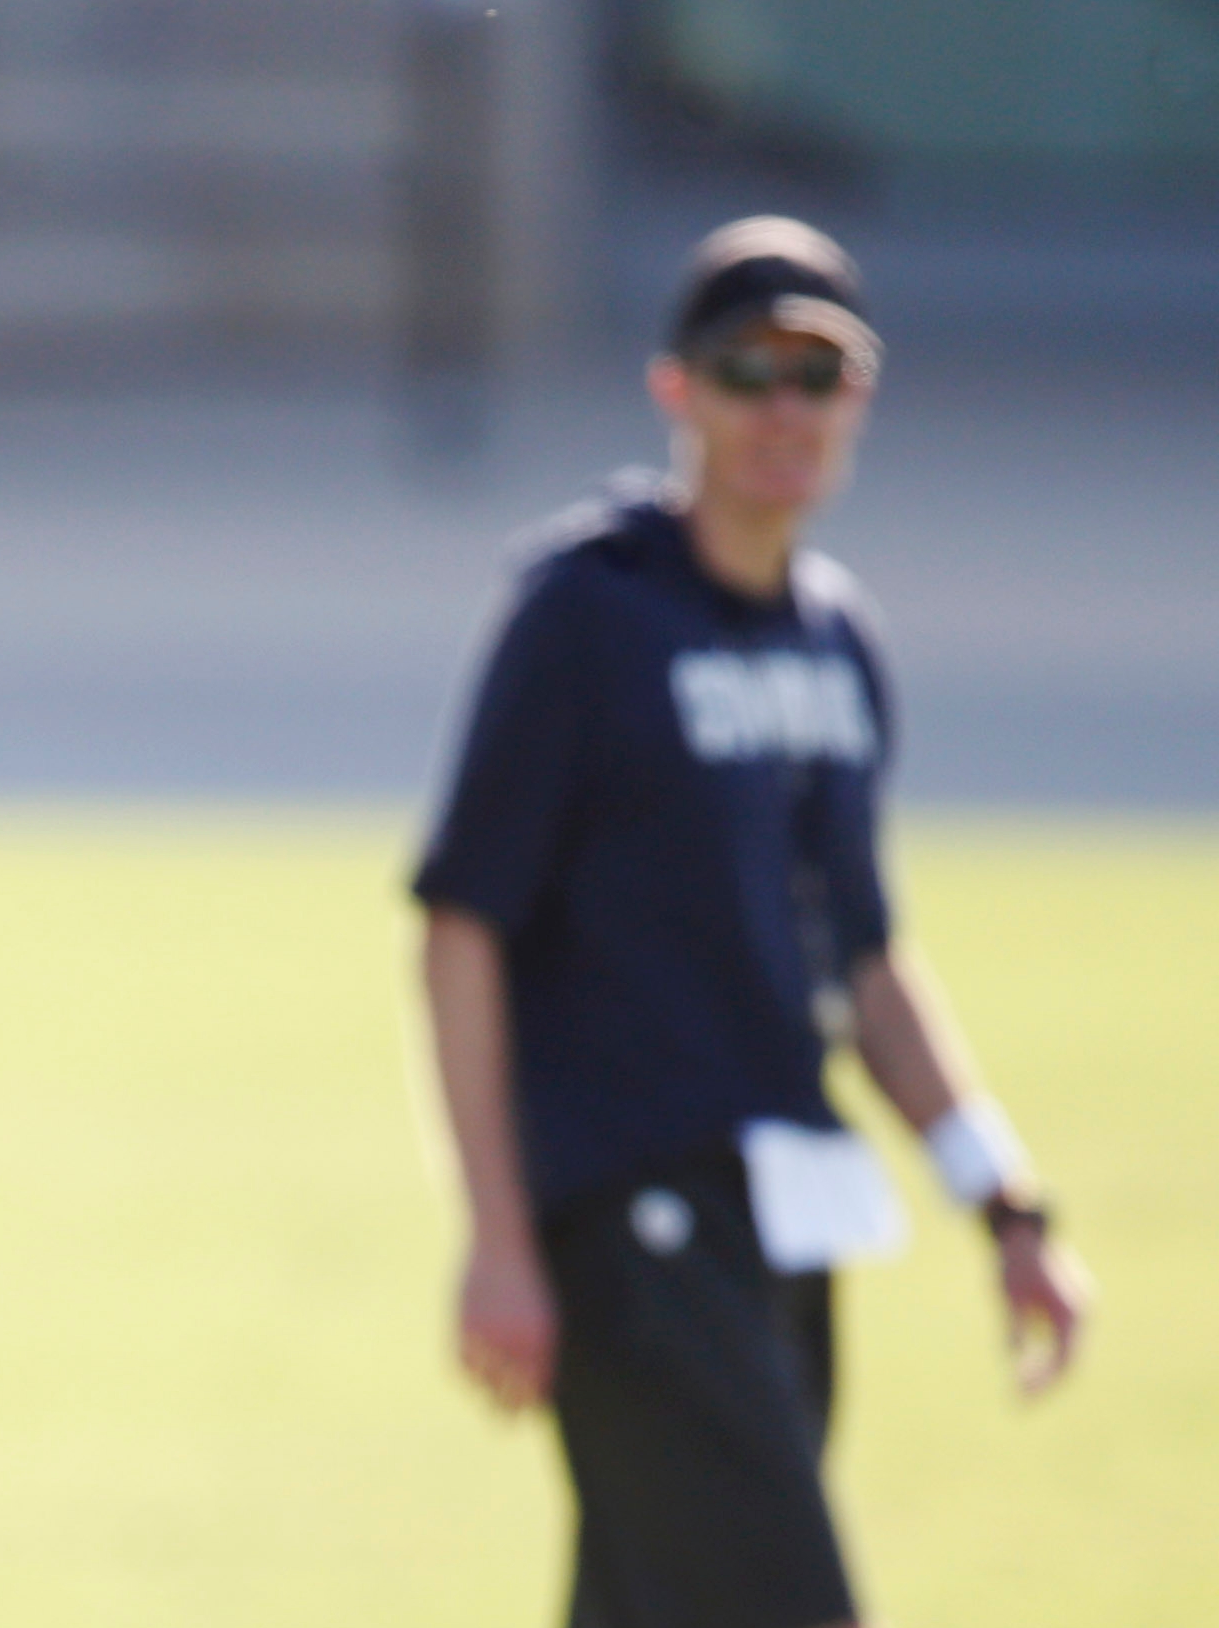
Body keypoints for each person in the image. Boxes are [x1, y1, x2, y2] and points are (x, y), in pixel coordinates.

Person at [411, 217, 1095, 1628]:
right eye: (747, 369)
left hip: (784, 1221)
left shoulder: (837, 641)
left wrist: (1006, 1203)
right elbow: (461, 924)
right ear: (679, 391)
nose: (784, 406)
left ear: (860, 392)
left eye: (817, 370)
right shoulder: (588, 614)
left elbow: (869, 956)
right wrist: (498, 1233)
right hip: (631, 1214)